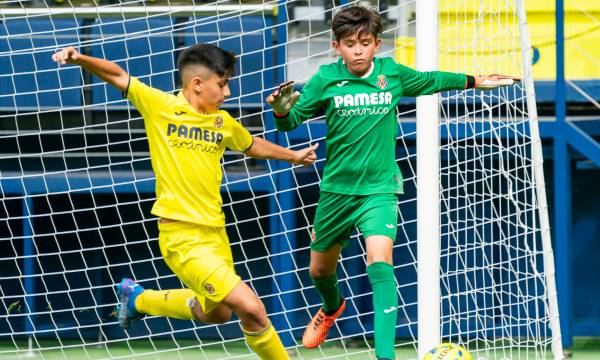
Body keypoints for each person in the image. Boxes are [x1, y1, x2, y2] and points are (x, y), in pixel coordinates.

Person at [266, 6, 519, 360]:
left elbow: (431, 80)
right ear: (336, 46)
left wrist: (475, 80)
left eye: (365, 43)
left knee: (379, 260)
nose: (358, 50)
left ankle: (385, 356)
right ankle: (332, 306)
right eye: (350, 43)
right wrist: (280, 110)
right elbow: (289, 123)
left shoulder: (391, 73)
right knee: (320, 270)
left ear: (377, 44)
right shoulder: (325, 79)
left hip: (380, 188)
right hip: (337, 192)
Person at [53, 43, 319, 360]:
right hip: (181, 237)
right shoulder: (160, 106)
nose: (228, 92)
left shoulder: (222, 122)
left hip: (216, 236)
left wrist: (293, 156)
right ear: (197, 84)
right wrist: (80, 58)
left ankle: (139, 299)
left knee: (218, 314)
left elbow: (251, 145)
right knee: (252, 308)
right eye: (222, 84)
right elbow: (119, 75)